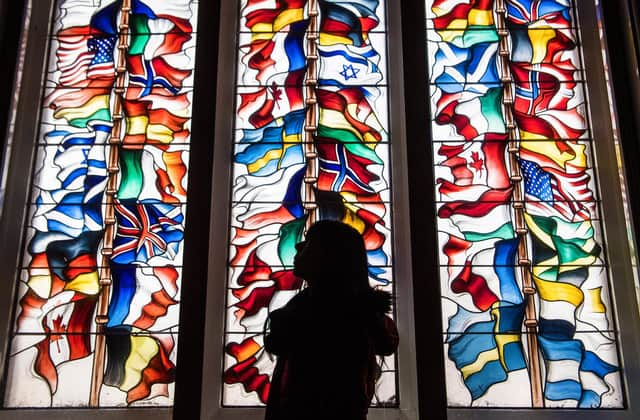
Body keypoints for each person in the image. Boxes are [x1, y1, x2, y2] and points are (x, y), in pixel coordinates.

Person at [264, 220, 399, 420]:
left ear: (330, 257)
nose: (298, 246)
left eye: (310, 242)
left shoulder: (326, 316)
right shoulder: (359, 312)